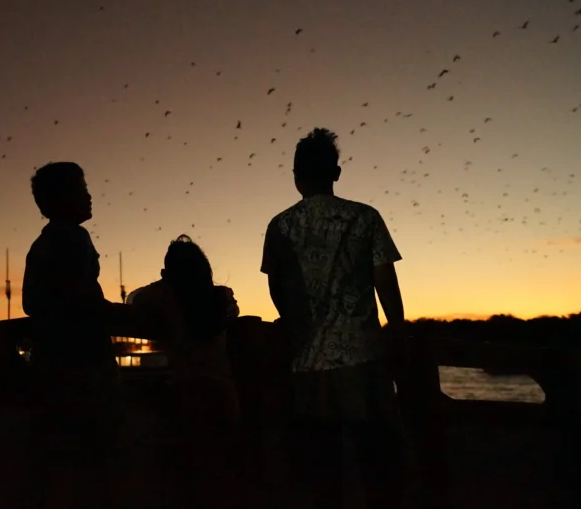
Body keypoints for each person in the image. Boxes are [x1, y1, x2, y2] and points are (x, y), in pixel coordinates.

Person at [260, 127, 407, 509]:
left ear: (296, 176)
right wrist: (398, 330)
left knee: (321, 472)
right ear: (336, 173)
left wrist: (295, 323)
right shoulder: (365, 217)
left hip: (306, 362)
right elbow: (385, 282)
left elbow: (277, 289)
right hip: (363, 357)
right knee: (376, 464)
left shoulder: (280, 226)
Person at [21, 161, 123, 509]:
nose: (89, 197)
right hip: (83, 366)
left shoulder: (43, 244)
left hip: (53, 366)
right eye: (82, 190)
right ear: (63, 199)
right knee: (93, 461)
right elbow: (84, 300)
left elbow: (31, 302)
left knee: (59, 465)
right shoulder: (73, 238)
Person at [127, 235, 244, 509]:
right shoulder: (220, 298)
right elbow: (234, 312)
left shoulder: (160, 298)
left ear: (167, 272)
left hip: (183, 392)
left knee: (187, 476)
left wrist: (165, 281)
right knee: (221, 473)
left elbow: (135, 299)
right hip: (223, 393)